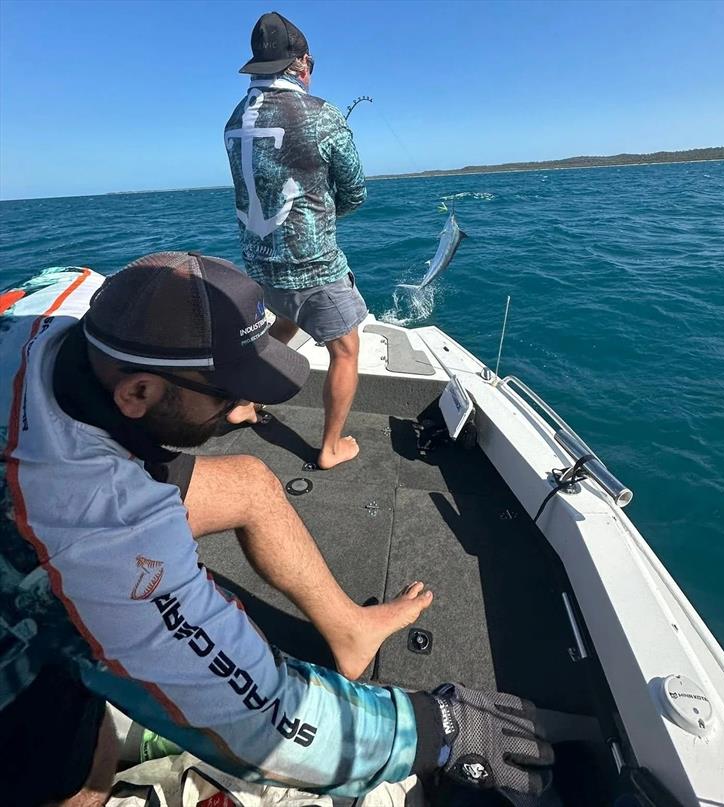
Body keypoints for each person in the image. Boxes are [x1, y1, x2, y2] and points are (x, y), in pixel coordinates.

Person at [0, 253, 553, 806]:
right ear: (137, 393)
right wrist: (433, 730)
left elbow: (61, 278)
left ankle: (348, 628)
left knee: (249, 484)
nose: (247, 409)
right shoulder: (101, 528)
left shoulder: (56, 317)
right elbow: (266, 722)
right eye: (227, 394)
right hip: (29, 567)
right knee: (72, 757)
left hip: (40, 456)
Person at [225, 11, 368, 470]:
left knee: (282, 325)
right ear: (302, 64)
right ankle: (329, 446)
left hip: (259, 263)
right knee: (345, 348)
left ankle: (245, 402)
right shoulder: (323, 115)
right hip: (313, 265)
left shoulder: (233, 120)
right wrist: (324, 217)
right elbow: (356, 191)